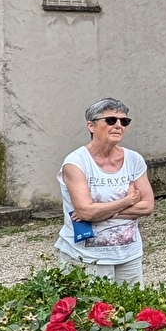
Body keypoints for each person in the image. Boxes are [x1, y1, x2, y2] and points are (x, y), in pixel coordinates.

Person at [55, 99, 155, 286]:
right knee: (89, 313)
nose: (118, 126)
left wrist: (101, 212)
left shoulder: (134, 159)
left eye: (123, 121)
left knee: (133, 312)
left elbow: (147, 206)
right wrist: (128, 200)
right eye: (110, 120)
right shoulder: (76, 162)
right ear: (91, 126)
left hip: (128, 255)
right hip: (86, 257)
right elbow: (85, 212)